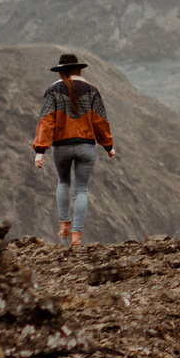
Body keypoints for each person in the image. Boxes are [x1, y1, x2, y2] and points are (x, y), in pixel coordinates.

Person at [32, 53, 115, 248]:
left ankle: (63, 226)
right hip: (86, 147)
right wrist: (108, 146)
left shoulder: (52, 91)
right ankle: (76, 236)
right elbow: (100, 122)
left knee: (63, 182)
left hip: (61, 147)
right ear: (79, 70)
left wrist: (40, 150)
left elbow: (46, 121)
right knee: (81, 190)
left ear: (62, 72)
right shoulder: (92, 91)